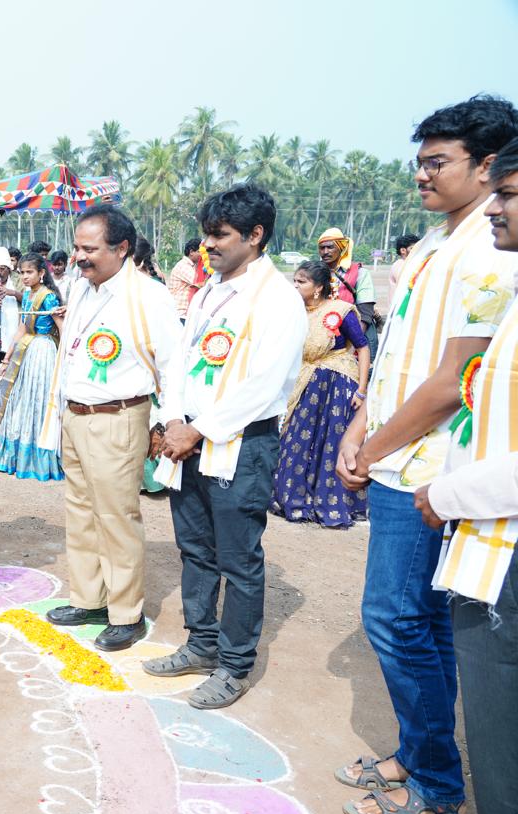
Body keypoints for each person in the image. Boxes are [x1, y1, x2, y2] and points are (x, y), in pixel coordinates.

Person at [334, 95, 518, 814]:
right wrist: (358, 423)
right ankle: (419, 752)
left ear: (488, 165)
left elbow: (452, 381)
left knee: (395, 618)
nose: (421, 175)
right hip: (393, 452)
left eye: (438, 162)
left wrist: (374, 446)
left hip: (427, 471)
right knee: (426, 623)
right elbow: (396, 358)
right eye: (419, 161)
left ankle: (440, 785)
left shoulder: (489, 252)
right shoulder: (438, 243)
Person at [145, 183, 307, 709]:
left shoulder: (278, 298)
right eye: (205, 235)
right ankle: (200, 643)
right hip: (187, 441)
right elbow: (181, 364)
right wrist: (171, 419)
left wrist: (198, 429)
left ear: (255, 236)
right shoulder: (209, 289)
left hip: (241, 446)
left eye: (219, 235)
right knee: (195, 551)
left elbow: (266, 385)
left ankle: (235, 665)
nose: (207, 245)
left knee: (238, 560)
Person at [413, 137, 518, 814]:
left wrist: (446, 492)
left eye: (508, 195)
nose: (497, 210)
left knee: (503, 758)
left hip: (501, 548)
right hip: (489, 542)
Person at [35, 207, 181, 650]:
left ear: (121, 248)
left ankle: (125, 613)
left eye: (89, 249)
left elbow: (174, 366)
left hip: (118, 418)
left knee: (117, 517)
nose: (78, 257)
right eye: (77, 247)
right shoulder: (82, 288)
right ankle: (89, 599)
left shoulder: (149, 296)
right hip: (75, 417)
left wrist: (166, 421)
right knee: (79, 513)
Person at [271, 260, 369, 528]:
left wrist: (361, 390)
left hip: (337, 385)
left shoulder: (340, 311)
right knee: (297, 439)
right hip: (305, 382)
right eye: (295, 280)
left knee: (331, 442)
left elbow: (363, 347)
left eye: (301, 282)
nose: (295, 285)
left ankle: (331, 502)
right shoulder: (295, 312)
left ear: (318, 288)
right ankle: (294, 499)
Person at [0, 253, 64, 481]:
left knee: (39, 400)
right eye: (22, 272)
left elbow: (62, 327)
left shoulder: (48, 297)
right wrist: (7, 358)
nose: (25, 277)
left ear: (41, 273)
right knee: (21, 400)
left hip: (43, 351)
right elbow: (21, 328)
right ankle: (16, 458)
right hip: (26, 351)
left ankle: (42, 459)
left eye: (30, 272)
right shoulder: (28, 296)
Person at [317, 226, 378, 353]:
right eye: (322, 248)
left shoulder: (360, 273)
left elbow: (366, 311)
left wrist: (352, 342)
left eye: (330, 247)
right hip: (320, 339)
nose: (325, 251)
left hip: (350, 340)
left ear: (341, 247)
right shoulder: (314, 273)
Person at [0, 247, 20, 362]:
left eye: (2, 269)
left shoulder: (18, 281)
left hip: (15, 331)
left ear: (9, 269)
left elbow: (29, 299)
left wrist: (13, 293)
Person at [167, 239, 203, 321]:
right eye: (199, 252)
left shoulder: (191, 266)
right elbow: (199, 283)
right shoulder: (183, 266)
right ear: (191, 252)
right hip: (180, 313)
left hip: (184, 313)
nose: (201, 255)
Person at [387, 233, 420, 313]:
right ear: (403, 250)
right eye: (413, 248)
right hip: (400, 312)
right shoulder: (400, 265)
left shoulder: (405, 264)